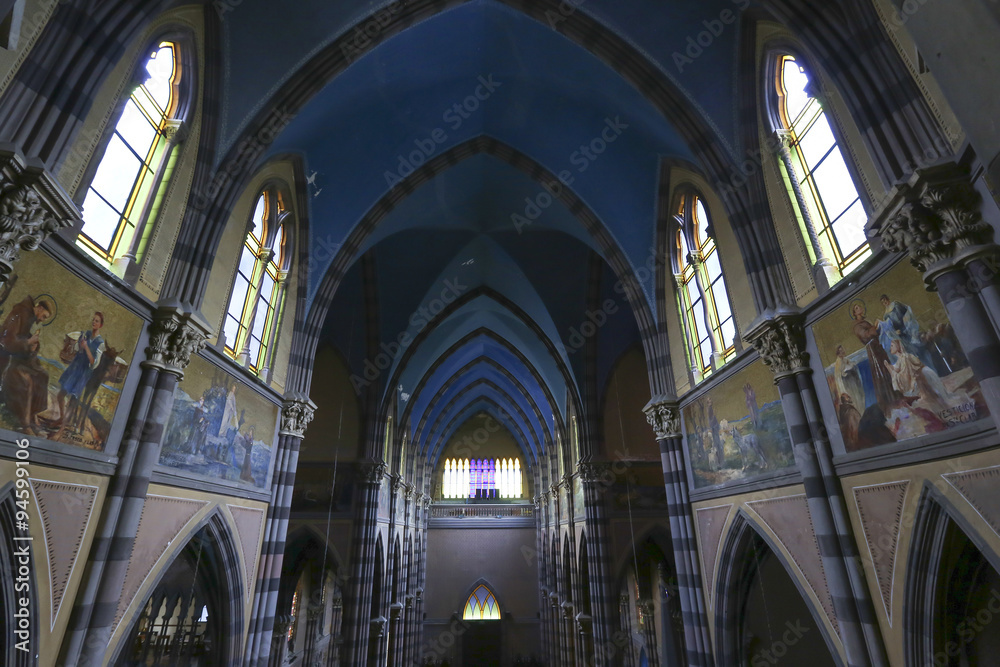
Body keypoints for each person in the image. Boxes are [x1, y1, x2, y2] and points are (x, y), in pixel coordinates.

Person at [0, 296, 53, 432]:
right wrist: (28, 342)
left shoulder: (28, 315)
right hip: (6, 357)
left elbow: (22, 335)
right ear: (39, 308)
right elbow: (8, 340)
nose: (42, 320)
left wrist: (34, 344)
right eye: (44, 316)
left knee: (43, 375)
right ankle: (24, 423)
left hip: (16, 356)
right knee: (27, 381)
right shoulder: (21, 312)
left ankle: (32, 414)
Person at [883, 338, 962, 415]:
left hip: (925, 376)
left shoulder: (906, 357)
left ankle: (947, 410)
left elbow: (906, 373)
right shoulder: (900, 360)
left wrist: (891, 369)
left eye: (892, 345)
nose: (890, 348)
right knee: (933, 400)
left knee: (936, 397)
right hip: (922, 379)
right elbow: (898, 373)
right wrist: (889, 368)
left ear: (897, 346)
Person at [56, 311, 105, 425]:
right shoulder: (86, 334)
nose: (93, 322)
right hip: (74, 368)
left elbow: (94, 363)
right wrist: (78, 344)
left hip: (83, 373)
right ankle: (61, 418)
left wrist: (86, 347)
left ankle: (63, 424)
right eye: (93, 319)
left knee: (72, 400)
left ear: (100, 325)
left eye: (96, 321)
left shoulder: (100, 343)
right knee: (60, 395)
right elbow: (78, 349)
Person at [851, 300, 901, 413]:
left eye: (860, 306)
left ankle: (893, 394)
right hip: (873, 349)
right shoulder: (857, 326)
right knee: (881, 372)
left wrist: (877, 326)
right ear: (854, 313)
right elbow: (865, 335)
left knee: (886, 368)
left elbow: (873, 332)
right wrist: (876, 327)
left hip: (877, 346)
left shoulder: (864, 322)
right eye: (857, 308)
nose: (860, 308)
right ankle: (888, 399)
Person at [834, 344, 866, 411]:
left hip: (854, 379)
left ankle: (862, 409)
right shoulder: (838, 362)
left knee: (859, 395)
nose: (843, 352)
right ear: (838, 353)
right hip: (849, 382)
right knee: (855, 397)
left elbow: (851, 365)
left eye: (843, 350)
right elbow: (839, 377)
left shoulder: (845, 359)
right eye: (840, 351)